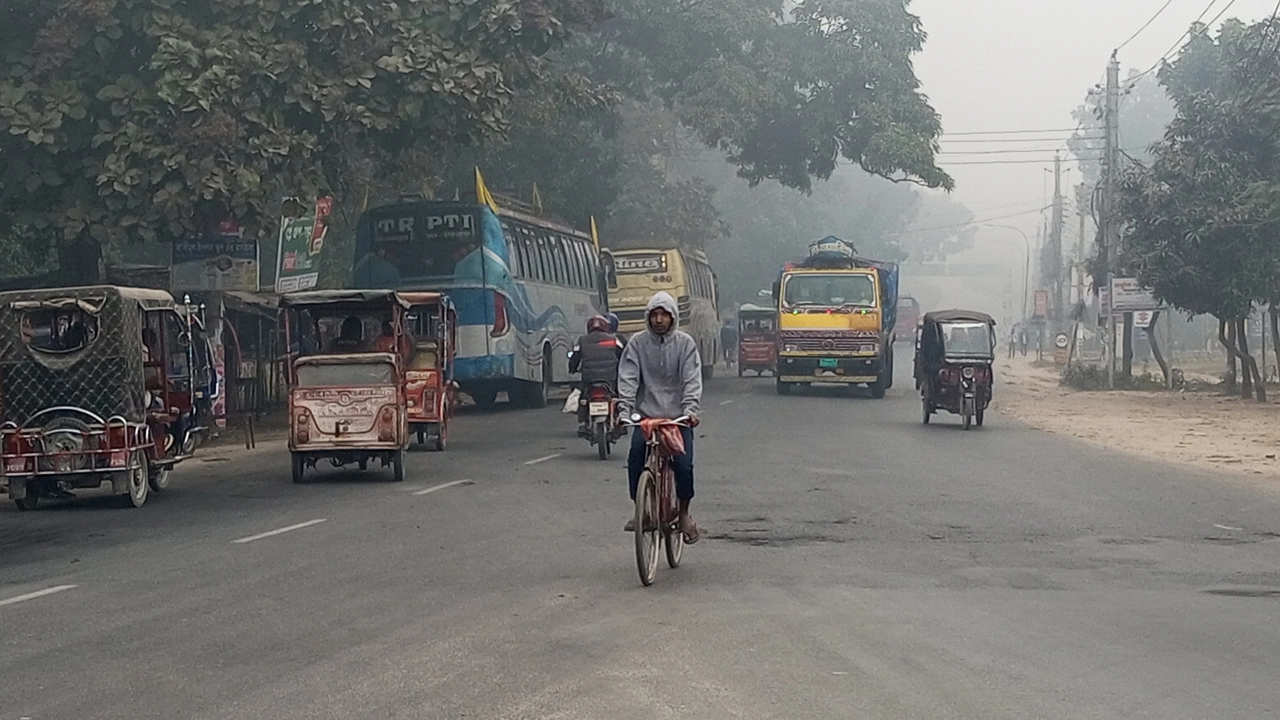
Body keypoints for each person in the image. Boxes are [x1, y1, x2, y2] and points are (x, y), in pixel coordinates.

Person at [617, 292, 703, 543]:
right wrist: (624, 411)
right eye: (654, 314)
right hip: (647, 418)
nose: (658, 320)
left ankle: (684, 513)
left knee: (684, 465)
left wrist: (689, 411)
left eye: (663, 314)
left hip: (678, 418)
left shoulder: (685, 344)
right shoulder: (637, 344)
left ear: (672, 317)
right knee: (635, 457)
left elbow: (691, 380)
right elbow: (628, 378)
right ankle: (640, 509)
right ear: (648, 317)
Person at [568, 315, 624, 438]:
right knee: (618, 397)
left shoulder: (582, 340)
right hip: (611, 378)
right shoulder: (615, 339)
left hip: (589, 379)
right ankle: (620, 419)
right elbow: (623, 356)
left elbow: (575, 358)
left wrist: (572, 369)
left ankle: (584, 422)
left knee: (583, 398)